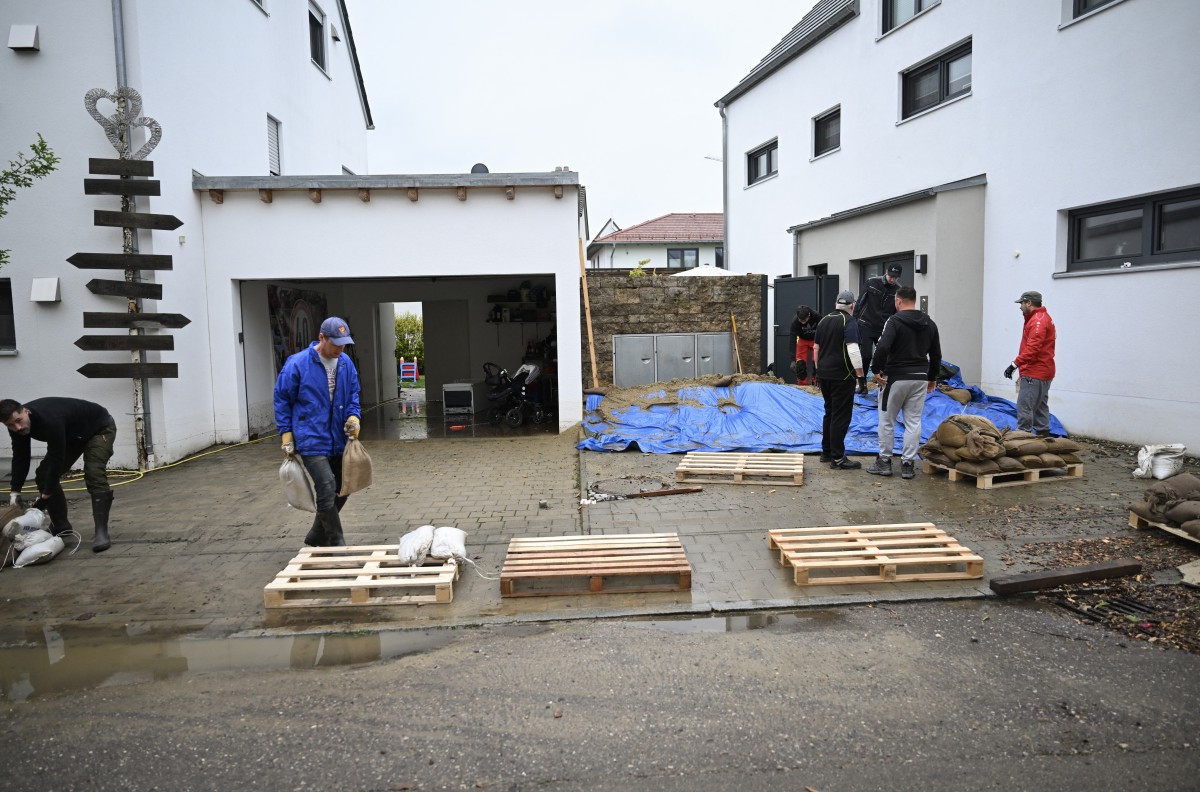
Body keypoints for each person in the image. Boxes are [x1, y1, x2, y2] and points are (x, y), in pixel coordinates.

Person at [273, 316, 362, 547]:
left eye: (344, 344)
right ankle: (335, 541)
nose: (340, 349)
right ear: (321, 337)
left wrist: (354, 416)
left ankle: (316, 535)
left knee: (344, 485)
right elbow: (282, 399)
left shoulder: (345, 364)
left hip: (338, 436)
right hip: (310, 436)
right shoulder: (298, 364)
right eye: (336, 344)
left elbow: (353, 394)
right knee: (326, 484)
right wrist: (286, 433)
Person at [1, 397, 117, 552]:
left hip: (99, 429)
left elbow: (57, 458)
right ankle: (61, 525)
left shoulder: (51, 419)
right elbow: (21, 457)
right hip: (72, 435)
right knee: (43, 474)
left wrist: (47, 494)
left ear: (25, 410)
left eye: (19, 420)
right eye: (10, 425)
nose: (18, 427)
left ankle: (101, 532)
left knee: (93, 472)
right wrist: (15, 491)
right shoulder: (16, 427)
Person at [866, 286, 942, 480]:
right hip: (920, 378)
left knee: (886, 420)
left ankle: (884, 461)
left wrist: (876, 370)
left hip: (896, 378)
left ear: (898, 301)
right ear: (914, 300)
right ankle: (908, 464)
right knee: (914, 421)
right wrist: (932, 377)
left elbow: (883, 346)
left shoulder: (894, 321)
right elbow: (936, 354)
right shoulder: (930, 323)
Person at [814, 290, 867, 470]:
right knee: (841, 416)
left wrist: (818, 369)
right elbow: (853, 349)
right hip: (842, 376)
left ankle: (826, 452)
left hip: (824, 375)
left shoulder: (823, 320)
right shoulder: (849, 321)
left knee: (829, 412)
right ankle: (837, 458)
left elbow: (816, 348)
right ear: (852, 306)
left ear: (836, 303)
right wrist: (860, 376)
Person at [1004, 290, 1056, 436]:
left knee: (1024, 407)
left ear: (1029, 303)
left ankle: (1023, 437)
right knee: (1040, 407)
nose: (1020, 306)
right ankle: (1044, 437)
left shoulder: (1037, 321)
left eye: (1021, 303)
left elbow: (1033, 349)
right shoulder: (1042, 318)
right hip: (1044, 371)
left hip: (1035, 372)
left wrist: (1014, 365)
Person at [852, 263, 902, 376]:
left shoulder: (898, 290)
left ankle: (882, 381)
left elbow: (896, 310)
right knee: (866, 356)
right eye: (891, 276)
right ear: (886, 273)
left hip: (882, 327)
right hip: (866, 324)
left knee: (883, 356)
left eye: (895, 277)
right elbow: (860, 302)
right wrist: (854, 320)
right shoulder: (872, 282)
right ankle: (861, 382)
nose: (893, 279)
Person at [790, 304, 819, 385]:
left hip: (815, 340)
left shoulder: (817, 316)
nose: (802, 322)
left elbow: (823, 331)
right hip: (802, 340)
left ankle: (816, 383)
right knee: (800, 365)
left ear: (809, 315)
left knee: (817, 362)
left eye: (804, 320)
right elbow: (792, 340)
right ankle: (802, 385)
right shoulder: (795, 322)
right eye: (801, 320)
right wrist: (792, 360)